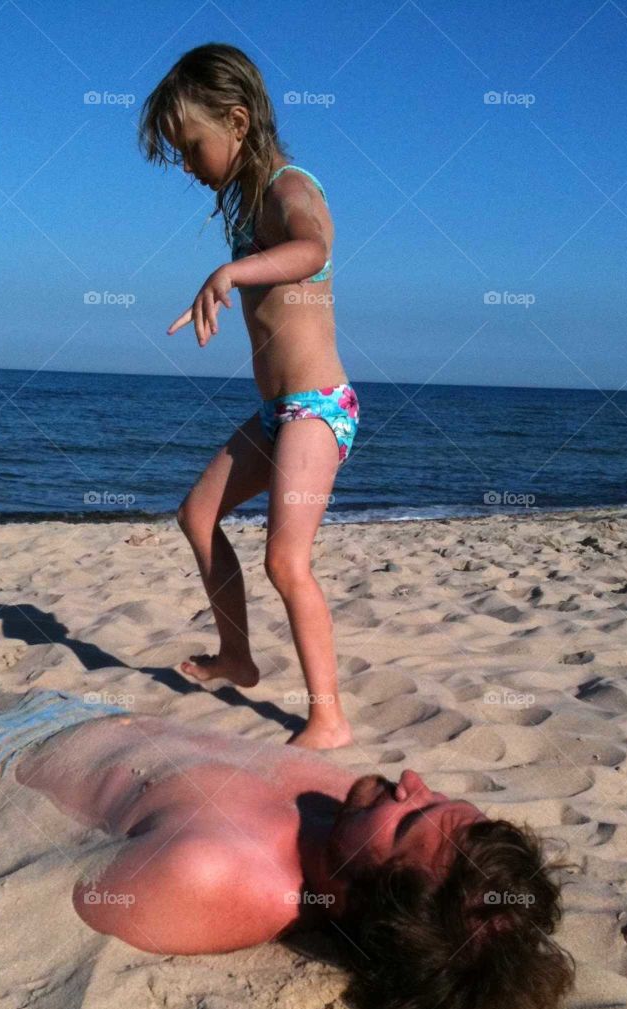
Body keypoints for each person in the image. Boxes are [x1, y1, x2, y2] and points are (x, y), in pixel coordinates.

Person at [0, 625, 575, 1009]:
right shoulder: (345, 821)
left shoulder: (234, 876)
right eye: (442, 800)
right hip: (83, 713)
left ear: (365, 900)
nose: (413, 779)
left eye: (413, 818)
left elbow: (65, 890)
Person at [138, 43, 360, 752]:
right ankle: (237, 657)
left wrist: (230, 273)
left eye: (191, 147)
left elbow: (313, 249)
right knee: (197, 515)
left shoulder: (288, 188)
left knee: (285, 562)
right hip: (277, 415)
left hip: (319, 408)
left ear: (237, 122)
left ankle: (328, 719)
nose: (187, 165)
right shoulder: (243, 205)